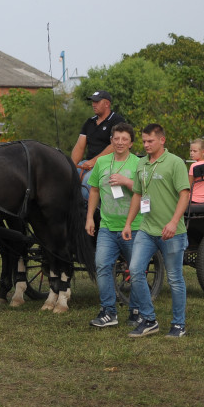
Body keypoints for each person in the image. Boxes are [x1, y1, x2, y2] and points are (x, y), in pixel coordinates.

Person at [122, 123, 191, 338]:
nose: (146, 145)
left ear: (162, 140)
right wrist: (128, 223)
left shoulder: (175, 162)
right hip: (146, 229)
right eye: (143, 141)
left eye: (150, 141)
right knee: (135, 270)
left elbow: (185, 195)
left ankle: (178, 325)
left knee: (175, 278)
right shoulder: (142, 163)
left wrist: (173, 222)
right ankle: (149, 319)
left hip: (172, 232)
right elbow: (137, 194)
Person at [85, 122, 141, 329]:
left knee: (136, 270)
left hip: (133, 226)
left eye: (124, 139)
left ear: (131, 143)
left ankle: (136, 310)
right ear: (111, 141)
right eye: (116, 138)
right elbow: (94, 191)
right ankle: (108, 311)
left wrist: (126, 181)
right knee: (102, 266)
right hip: (107, 226)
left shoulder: (138, 163)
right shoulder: (102, 162)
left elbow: (144, 190)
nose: (119, 142)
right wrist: (90, 217)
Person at [71, 90, 126, 198]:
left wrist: (93, 162)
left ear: (107, 104)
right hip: (88, 163)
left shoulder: (117, 121)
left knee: (89, 180)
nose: (93, 104)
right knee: (69, 176)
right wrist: (71, 166)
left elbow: (114, 145)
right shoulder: (89, 122)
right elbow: (79, 146)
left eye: (97, 102)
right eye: (92, 102)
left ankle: (87, 211)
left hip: (110, 164)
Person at [188, 139, 204, 204]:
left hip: (193, 199)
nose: (191, 153)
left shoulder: (194, 166)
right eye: (191, 151)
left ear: (203, 152)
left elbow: (188, 187)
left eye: (195, 151)